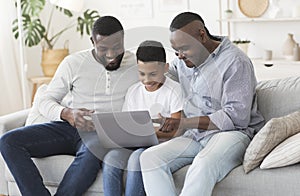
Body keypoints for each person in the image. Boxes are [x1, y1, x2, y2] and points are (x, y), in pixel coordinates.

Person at [0, 16, 139, 196]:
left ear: (123, 39)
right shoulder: (74, 63)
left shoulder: (137, 64)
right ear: (92, 42)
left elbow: (164, 80)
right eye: (103, 49)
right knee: (8, 141)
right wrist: (67, 113)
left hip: (103, 133)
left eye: (117, 47)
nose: (111, 55)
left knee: (92, 153)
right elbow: (45, 100)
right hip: (69, 126)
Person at [140, 12, 265, 196]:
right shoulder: (183, 62)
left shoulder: (235, 61)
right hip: (196, 136)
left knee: (203, 163)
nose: (180, 56)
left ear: (202, 35)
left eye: (184, 49)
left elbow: (235, 117)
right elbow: (163, 74)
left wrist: (184, 123)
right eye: (176, 51)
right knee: (149, 158)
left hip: (231, 134)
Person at [102, 40, 183, 196]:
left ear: (165, 68)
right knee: (111, 159)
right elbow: (126, 124)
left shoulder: (174, 90)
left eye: (153, 74)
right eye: (141, 73)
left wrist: (149, 132)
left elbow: (176, 131)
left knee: (136, 160)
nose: (147, 80)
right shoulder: (133, 91)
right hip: (135, 143)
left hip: (160, 145)